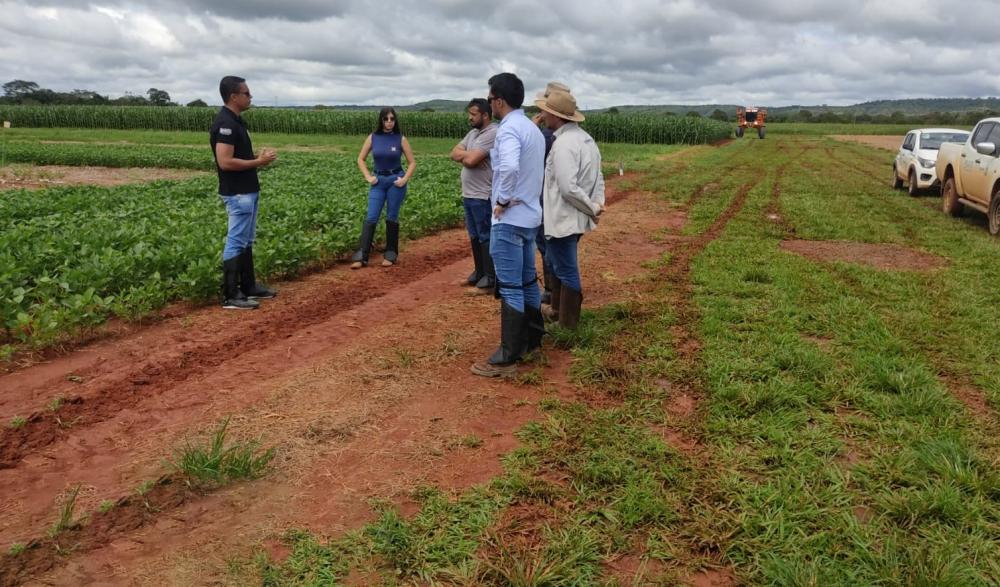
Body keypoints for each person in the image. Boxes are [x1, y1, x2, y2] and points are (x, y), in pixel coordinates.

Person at [471, 73, 546, 378]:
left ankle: (508, 356)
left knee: (512, 286)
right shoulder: (532, 128)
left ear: (499, 100)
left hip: (510, 220)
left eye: (489, 99)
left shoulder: (508, 130)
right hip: (530, 217)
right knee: (528, 281)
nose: (490, 103)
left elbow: (510, 166)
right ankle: (533, 341)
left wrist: (501, 199)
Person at [536, 89, 605, 328]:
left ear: (555, 116)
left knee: (565, 269)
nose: (542, 115)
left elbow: (567, 188)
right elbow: (599, 177)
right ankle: (557, 312)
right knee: (558, 264)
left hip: (563, 217)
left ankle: (567, 324)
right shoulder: (586, 139)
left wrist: (592, 208)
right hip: (572, 216)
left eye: (545, 111)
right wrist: (597, 203)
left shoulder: (564, 144)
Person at [210, 75, 278, 310]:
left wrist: (256, 158)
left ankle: (248, 286)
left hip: (248, 190)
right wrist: (258, 162)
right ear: (233, 97)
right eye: (247, 93)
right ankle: (231, 295)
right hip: (238, 193)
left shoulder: (237, 121)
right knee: (236, 241)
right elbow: (225, 162)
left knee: (246, 240)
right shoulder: (226, 124)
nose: (250, 97)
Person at [350, 108, 416, 268]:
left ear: (395, 120)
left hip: (395, 181)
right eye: (386, 119)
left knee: (391, 216)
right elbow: (360, 159)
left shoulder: (401, 139)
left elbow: (412, 162)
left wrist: (404, 179)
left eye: (392, 119)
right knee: (371, 216)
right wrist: (368, 176)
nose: (389, 122)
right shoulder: (373, 137)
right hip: (378, 182)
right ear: (381, 120)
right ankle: (362, 256)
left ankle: (391, 254)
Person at [450, 98, 498, 291]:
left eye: (473, 114)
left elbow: (472, 160)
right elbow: (454, 153)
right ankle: (479, 272)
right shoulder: (473, 133)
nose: (470, 118)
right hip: (469, 194)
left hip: (482, 194)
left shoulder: (493, 132)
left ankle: (490, 276)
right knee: (474, 234)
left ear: (485, 115)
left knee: (485, 235)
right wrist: (466, 155)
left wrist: (467, 155)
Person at [531, 81, 571, 305]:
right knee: (553, 245)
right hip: (553, 198)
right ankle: (556, 290)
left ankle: (552, 292)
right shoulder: (563, 134)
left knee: (547, 244)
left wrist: (531, 129)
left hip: (546, 198)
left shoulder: (547, 136)